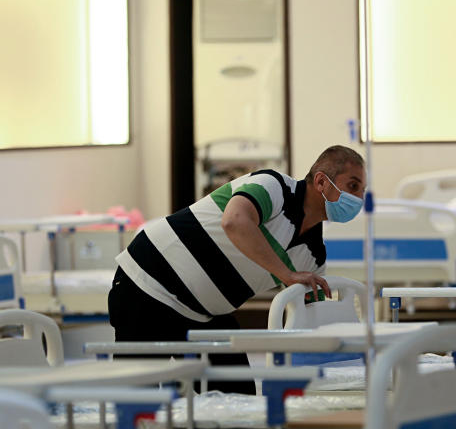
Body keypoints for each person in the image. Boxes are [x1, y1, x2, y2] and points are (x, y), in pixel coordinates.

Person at [108, 145, 365, 392]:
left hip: (201, 315)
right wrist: (286, 274)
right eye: (352, 186)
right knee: (139, 403)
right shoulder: (274, 186)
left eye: (362, 191)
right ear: (321, 182)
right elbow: (235, 221)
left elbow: (312, 320)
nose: (358, 199)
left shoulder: (313, 256)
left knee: (238, 398)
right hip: (146, 284)